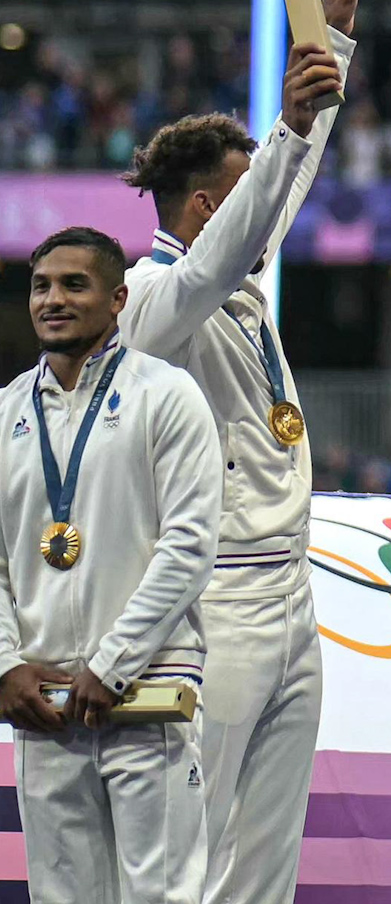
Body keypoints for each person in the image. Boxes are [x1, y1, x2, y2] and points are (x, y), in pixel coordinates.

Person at [115, 0, 374, 904]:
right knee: (192, 851)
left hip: (291, 597)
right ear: (197, 212)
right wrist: (289, 122)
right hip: (210, 603)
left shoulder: (239, 285)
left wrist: (335, 46)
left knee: (267, 857)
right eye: (238, 206)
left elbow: (279, 195)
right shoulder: (152, 301)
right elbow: (248, 226)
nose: (263, 220)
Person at [0, 228, 221, 902]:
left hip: (144, 692)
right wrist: (6, 663)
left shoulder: (168, 394)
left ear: (118, 298)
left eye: (74, 285)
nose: (53, 300)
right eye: (41, 286)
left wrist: (113, 660)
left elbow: (190, 545)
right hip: (46, 704)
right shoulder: (6, 410)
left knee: (160, 895)